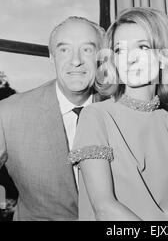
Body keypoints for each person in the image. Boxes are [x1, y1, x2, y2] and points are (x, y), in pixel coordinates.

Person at [69, 7, 168, 221]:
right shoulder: (96, 116)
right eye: (119, 50)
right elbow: (104, 207)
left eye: (142, 46)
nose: (129, 59)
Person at [0, 16, 105, 220]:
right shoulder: (8, 113)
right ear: (51, 57)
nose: (76, 61)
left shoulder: (122, 110)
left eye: (87, 49)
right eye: (64, 50)